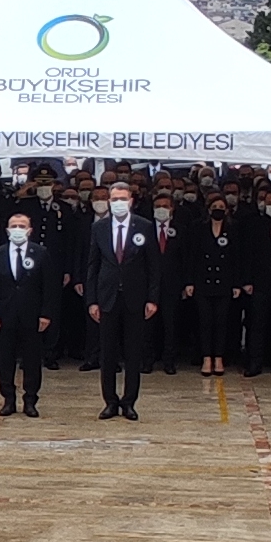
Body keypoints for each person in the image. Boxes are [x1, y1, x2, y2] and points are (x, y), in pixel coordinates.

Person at [80, 179, 159, 420]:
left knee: (133, 352)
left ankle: (129, 401)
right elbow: (92, 266)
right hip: (107, 297)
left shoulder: (144, 226)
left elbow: (154, 266)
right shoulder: (99, 228)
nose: (118, 203)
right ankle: (110, 401)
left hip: (135, 297)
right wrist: (92, 300)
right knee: (108, 352)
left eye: (123, 199)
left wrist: (152, 298)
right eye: (114, 200)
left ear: (131, 201)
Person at [0, 206, 55, 418]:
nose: (17, 229)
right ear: (7, 231)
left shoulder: (40, 253)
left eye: (21, 226)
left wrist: (46, 313)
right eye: (14, 226)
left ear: (30, 230)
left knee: (32, 360)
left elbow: (49, 287)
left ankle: (31, 400)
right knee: (5, 360)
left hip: (32, 315)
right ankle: (8, 399)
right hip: (5, 316)